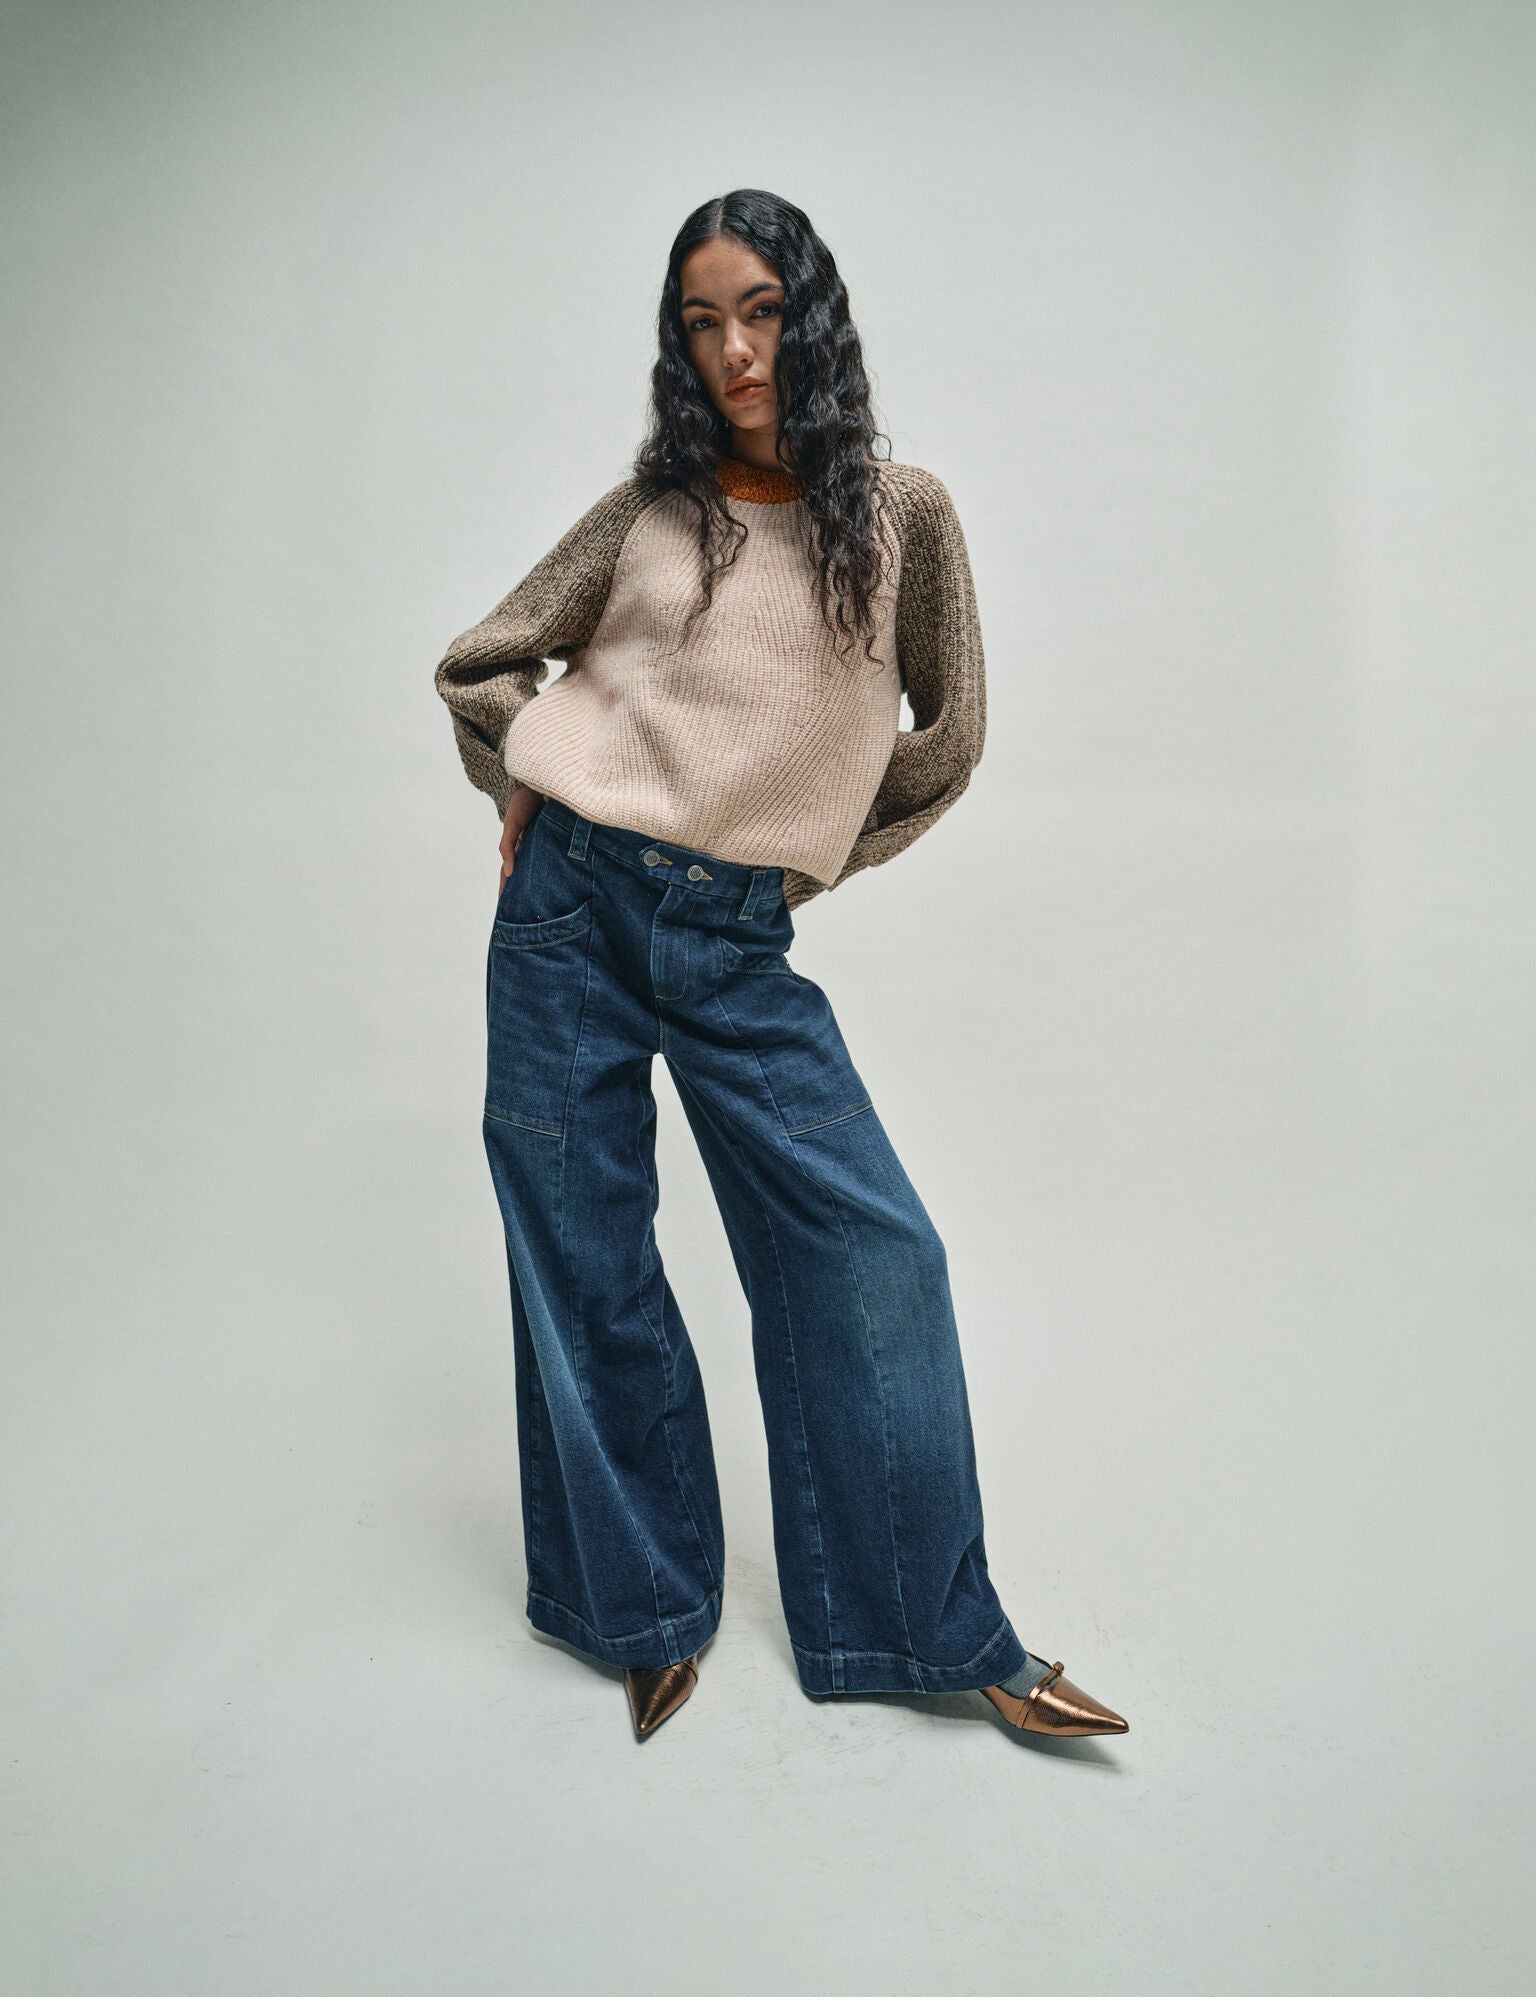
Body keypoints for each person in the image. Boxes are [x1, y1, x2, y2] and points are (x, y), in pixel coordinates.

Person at [433, 188, 1127, 1744]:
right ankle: (640, 1610)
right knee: (586, 1254)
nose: (734, 349)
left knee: (878, 1252)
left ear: (811, 315)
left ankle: (936, 1629)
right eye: (701, 322)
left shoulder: (902, 517)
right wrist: (523, 776)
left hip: (733, 940)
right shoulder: (653, 510)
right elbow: (484, 660)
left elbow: (947, 739)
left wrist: (797, 853)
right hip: (566, 912)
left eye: (759, 310)